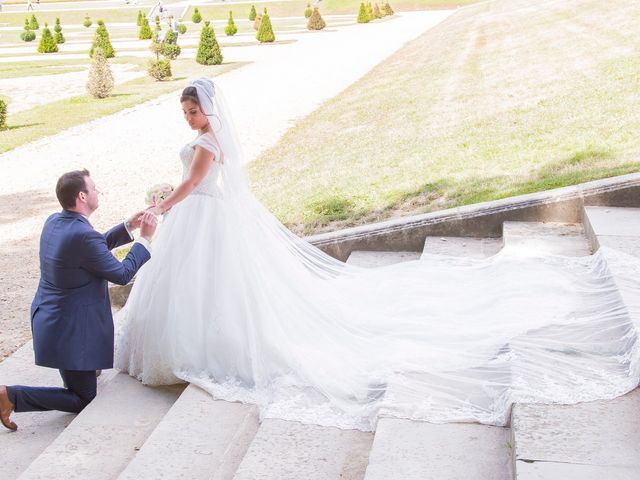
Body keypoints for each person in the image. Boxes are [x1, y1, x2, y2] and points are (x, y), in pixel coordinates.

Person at [114, 78, 640, 432]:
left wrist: (159, 206)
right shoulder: (210, 134)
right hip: (201, 220)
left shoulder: (209, 143)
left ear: (208, 108)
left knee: (214, 288)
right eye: (184, 112)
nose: (189, 118)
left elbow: (195, 183)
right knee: (206, 289)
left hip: (203, 218)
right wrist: (164, 206)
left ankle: (206, 347)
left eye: (193, 110)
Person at [0, 170, 157, 431]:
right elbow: (121, 274)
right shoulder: (83, 236)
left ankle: (89, 365)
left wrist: (128, 226)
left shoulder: (55, 221)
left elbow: (92, 249)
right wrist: (145, 238)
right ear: (82, 196)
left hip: (52, 320)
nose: (98, 191)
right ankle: (10, 396)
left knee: (87, 375)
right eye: (94, 188)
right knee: (83, 397)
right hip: (69, 333)